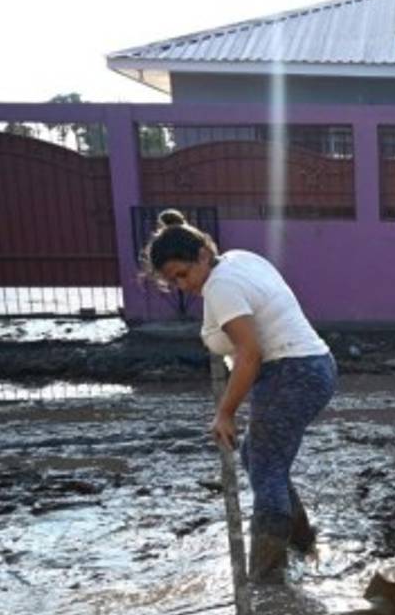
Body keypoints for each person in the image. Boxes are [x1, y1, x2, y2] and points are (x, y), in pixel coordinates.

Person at [144, 210, 336, 583]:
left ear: (203, 255)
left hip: (290, 373)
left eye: (183, 274)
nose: (182, 285)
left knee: (266, 471)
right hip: (314, 366)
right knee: (258, 458)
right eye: (172, 281)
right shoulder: (239, 259)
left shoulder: (221, 287)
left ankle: (267, 584)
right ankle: (302, 541)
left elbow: (249, 354)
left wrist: (225, 413)